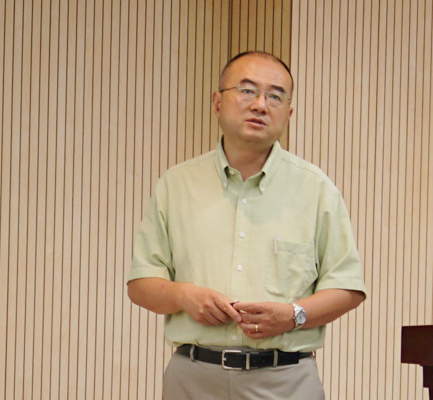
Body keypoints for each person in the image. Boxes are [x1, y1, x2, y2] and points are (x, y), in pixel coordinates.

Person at [127, 51, 367, 400]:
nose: (260, 105)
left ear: (289, 113)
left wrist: (293, 315)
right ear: (217, 102)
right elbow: (141, 285)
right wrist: (183, 296)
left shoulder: (316, 189)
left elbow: (348, 287)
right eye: (247, 90)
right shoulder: (175, 185)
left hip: (286, 381)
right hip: (192, 379)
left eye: (275, 96)